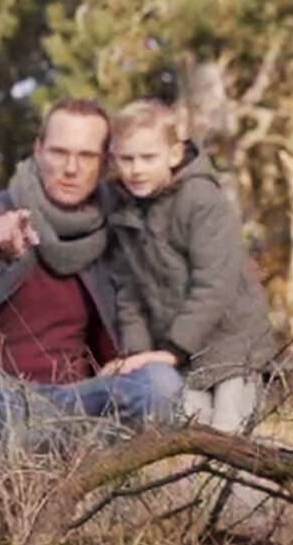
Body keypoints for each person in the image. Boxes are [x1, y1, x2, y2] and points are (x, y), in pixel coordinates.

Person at [0, 98, 184, 492]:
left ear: (105, 163)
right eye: (59, 152)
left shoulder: (121, 231)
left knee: (161, 384)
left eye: (86, 156)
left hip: (75, 409)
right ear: (38, 150)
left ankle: (92, 493)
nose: (71, 168)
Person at [103, 99, 280, 432]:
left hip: (232, 346)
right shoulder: (124, 212)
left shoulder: (200, 200)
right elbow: (129, 294)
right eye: (126, 159)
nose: (136, 169)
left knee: (230, 435)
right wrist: (140, 355)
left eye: (148, 158)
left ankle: (247, 483)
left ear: (173, 154)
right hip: (180, 354)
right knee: (191, 430)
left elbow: (214, 284)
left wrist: (172, 351)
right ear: (114, 158)